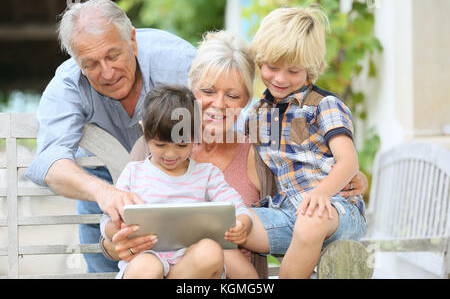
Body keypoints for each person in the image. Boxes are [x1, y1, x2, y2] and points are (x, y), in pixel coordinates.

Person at [100, 30, 369, 278]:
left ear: (246, 101)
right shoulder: (155, 144)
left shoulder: (262, 147)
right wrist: (117, 245)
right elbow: (115, 222)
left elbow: (297, 200)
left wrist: (350, 179)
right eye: (207, 91)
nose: (218, 104)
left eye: (232, 95)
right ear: (192, 88)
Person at [24, 0, 196, 273]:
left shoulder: (178, 62)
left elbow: (223, 125)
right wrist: (103, 193)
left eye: (113, 55)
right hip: (101, 182)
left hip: (180, 181)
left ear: (133, 41)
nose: (107, 72)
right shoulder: (68, 83)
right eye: (90, 64)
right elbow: (50, 161)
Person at [239, 6, 367, 278]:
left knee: (310, 223)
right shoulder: (259, 114)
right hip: (288, 215)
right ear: (259, 61)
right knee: (233, 224)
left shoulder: (324, 105)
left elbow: (348, 161)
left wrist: (322, 192)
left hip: (336, 212)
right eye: (272, 67)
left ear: (310, 69)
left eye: (293, 71)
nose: (281, 78)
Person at [100, 85, 257, 278]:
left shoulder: (207, 175)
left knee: (210, 250)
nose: (171, 154)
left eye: (182, 145)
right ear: (144, 132)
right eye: (160, 145)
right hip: (145, 259)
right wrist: (116, 231)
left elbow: (238, 208)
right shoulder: (134, 172)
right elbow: (108, 219)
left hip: (189, 266)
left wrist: (242, 224)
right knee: (148, 266)